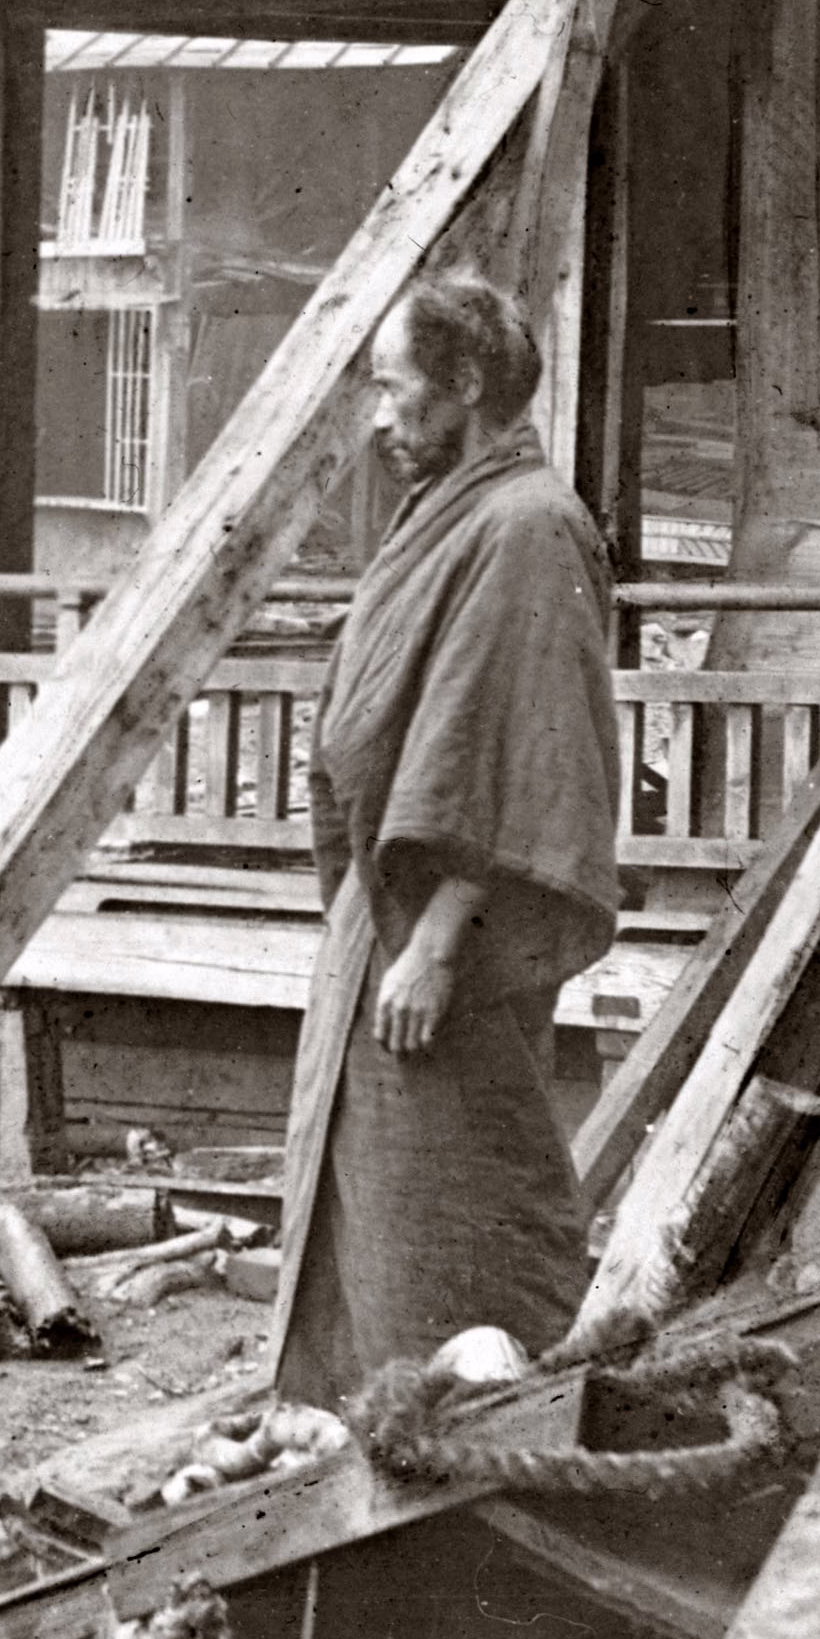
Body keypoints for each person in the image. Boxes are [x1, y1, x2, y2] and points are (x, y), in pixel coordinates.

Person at [275, 275, 622, 1402]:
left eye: (395, 388)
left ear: (465, 386)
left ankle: (491, 1416)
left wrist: (433, 941)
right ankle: (371, 1408)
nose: (380, 417)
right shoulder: (452, 510)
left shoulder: (531, 527)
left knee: (457, 1181)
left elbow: (520, 748)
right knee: (372, 1186)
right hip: (381, 922)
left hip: (440, 942)